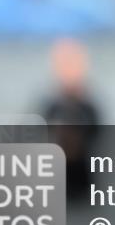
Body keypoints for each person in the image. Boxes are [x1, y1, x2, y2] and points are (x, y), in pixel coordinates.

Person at [41, 38, 101, 199]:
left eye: (73, 64)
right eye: (65, 64)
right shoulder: (51, 107)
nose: (69, 70)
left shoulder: (89, 107)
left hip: (84, 186)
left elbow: (98, 134)